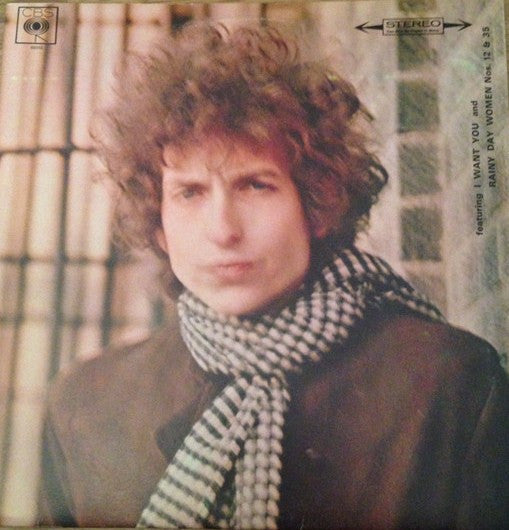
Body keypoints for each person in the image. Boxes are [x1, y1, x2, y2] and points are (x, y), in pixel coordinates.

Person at [39, 24, 509, 529]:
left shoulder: (450, 386)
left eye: (255, 185)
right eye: (190, 193)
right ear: (159, 225)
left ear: (317, 203)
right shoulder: (84, 407)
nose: (223, 230)